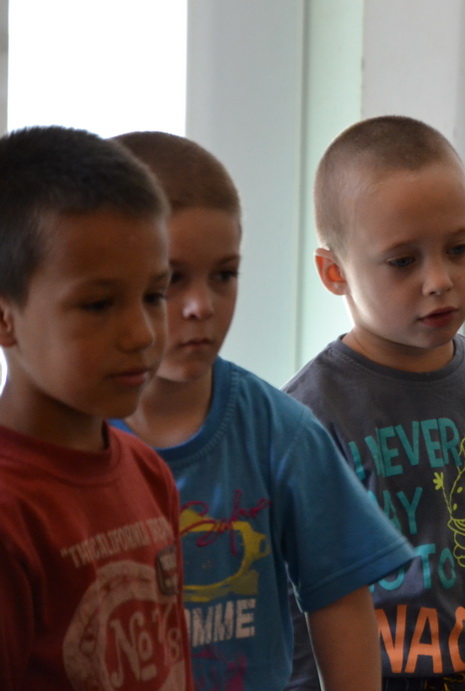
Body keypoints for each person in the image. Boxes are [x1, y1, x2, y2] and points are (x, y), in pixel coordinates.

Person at [109, 131, 415, 691]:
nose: (201, 306)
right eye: (173, 280)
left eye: (223, 275)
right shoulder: (64, 438)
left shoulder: (281, 433)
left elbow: (341, 601)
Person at [284, 115, 465, 691]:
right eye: (403, 261)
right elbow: (294, 605)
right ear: (335, 272)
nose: (439, 280)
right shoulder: (306, 417)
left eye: (458, 248)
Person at [0, 125, 192, 689]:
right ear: (5, 318)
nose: (142, 333)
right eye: (99, 304)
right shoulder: (10, 513)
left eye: (154, 295)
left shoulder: (147, 471)